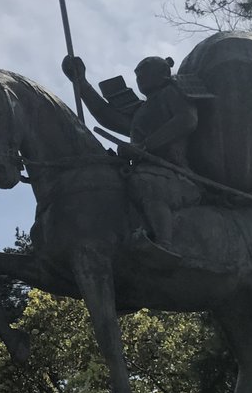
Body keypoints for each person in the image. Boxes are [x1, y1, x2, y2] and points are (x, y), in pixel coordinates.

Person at [62, 54, 203, 255]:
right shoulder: (141, 109)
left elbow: (187, 120)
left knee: (149, 188)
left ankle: (164, 244)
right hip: (140, 170)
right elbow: (106, 115)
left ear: (163, 73)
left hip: (174, 173)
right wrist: (81, 83)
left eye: (145, 73)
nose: (139, 79)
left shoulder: (173, 93)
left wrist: (144, 146)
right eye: (137, 76)